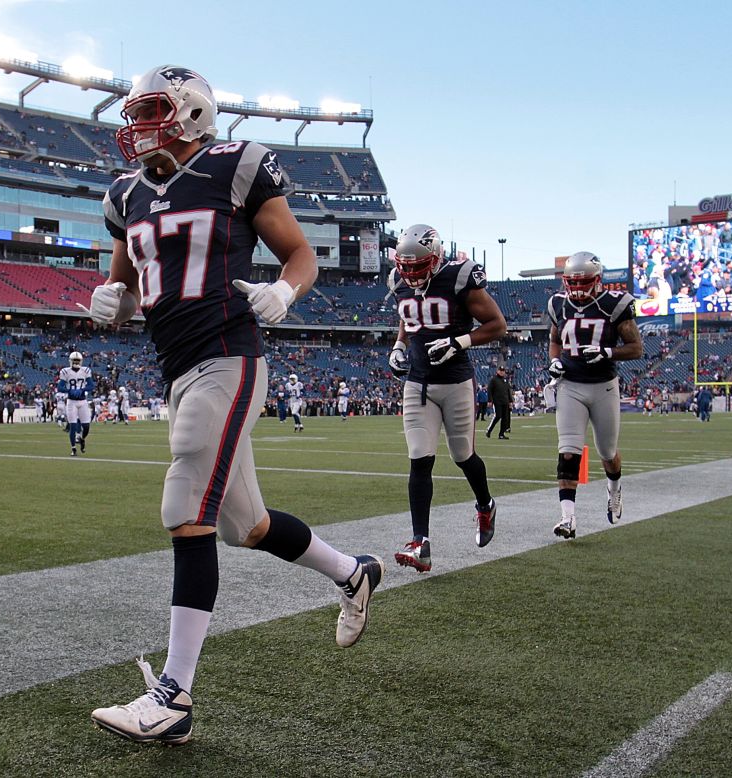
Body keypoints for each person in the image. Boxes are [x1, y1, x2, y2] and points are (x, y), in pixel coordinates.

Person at [83, 64, 382, 745]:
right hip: (177, 367)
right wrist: (115, 301)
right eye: (134, 111)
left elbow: (300, 254)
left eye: (153, 108)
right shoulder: (124, 193)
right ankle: (352, 571)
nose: (138, 123)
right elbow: (126, 284)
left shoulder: (235, 166)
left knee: (185, 503)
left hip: (230, 353)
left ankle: (174, 695)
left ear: (191, 112)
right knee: (243, 525)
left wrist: (286, 291)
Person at [386, 223, 505, 572]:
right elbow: (409, 318)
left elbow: (498, 324)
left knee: (462, 456)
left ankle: (485, 505)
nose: (409, 274)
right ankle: (420, 541)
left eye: (416, 267)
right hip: (418, 382)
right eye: (404, 266)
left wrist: (459, 342)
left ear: (436, 258)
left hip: (455, 382)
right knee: (419, 458)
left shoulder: (458, 277)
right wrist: (398, 345)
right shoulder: (398, 281)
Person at [546, 251, 643, 537]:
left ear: (597, 279)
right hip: (570, 385)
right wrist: (554, 361)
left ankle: (614, 489)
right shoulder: (558, 304)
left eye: (583, 281)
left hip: (603, 387)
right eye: (572, 282)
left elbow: (636, 348)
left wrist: (606, 351)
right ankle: (568, 519)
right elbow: (554, 340)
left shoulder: (615, 304)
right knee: (568, 452)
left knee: (607, 452)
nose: (576, 288)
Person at [58, 351, 93, 455]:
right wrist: (70, 391)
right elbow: (60, 387)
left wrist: (82, 390)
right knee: (73, 426)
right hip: (71, 401)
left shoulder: (86, 370)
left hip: (82, 401)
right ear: (71, 361)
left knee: (86, 426)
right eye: (75, 360)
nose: (76, 362)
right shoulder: (65, 371)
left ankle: (81, 438)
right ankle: (73, 449)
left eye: (78, 361)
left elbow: (91, 385)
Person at [485, 366, 511, 439]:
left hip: (505, 401)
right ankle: (489, 430)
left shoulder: (505, 380)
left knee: (505, 418)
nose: (502, 372)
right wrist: (490, 400)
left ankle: (501, 434)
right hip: (497, 401)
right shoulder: (493, 380)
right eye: (501, 370)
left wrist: (510, 401)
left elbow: (508, 391)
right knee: (498, 416)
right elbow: (489, 390)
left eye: (503, 371)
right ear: (497, 371)